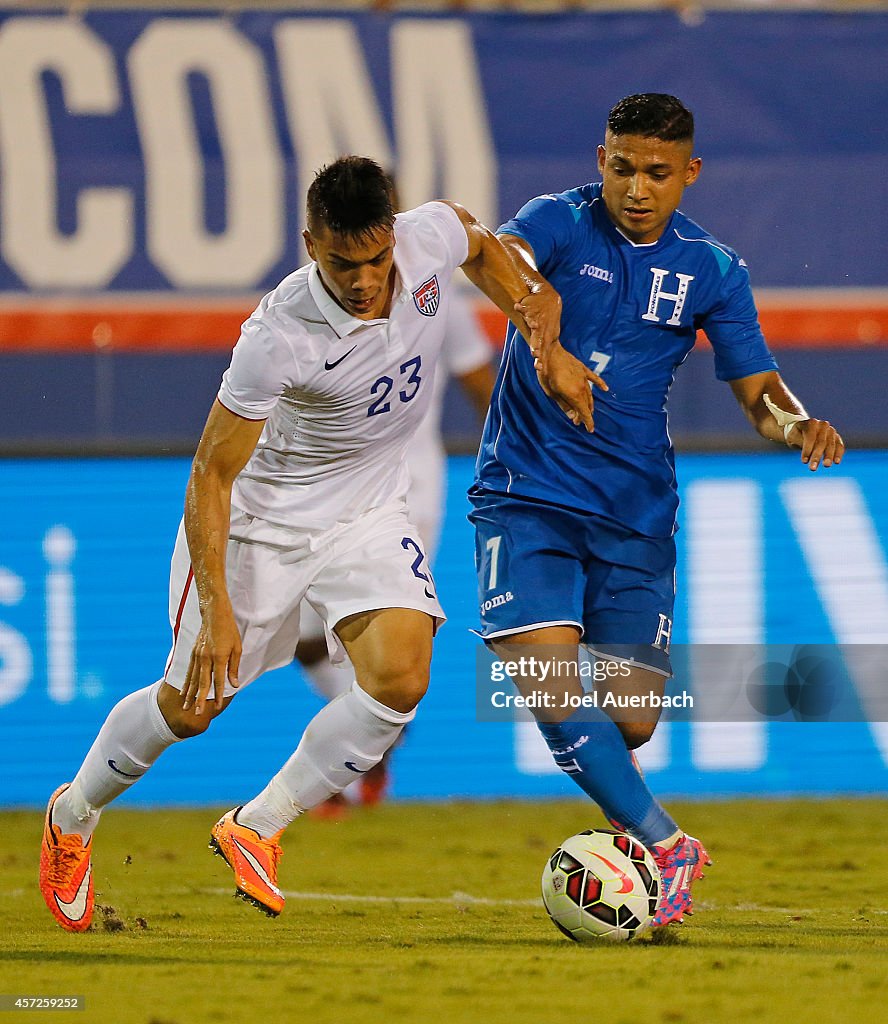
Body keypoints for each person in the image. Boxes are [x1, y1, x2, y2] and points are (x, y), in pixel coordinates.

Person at [39, 156, 571, 932]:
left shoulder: (428, 239)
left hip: (368, 509)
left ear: (393, 235)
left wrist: (535, 316)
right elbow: (212, 475)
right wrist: (217, 605)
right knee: (190, 710)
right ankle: (74, 812)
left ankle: (256, 824)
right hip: (263, 525)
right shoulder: (279, 334)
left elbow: (482, 246)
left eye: (375, 259)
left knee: (400, 676)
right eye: (341, 263)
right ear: (309, 244)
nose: (362, 280)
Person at [468, 94, 845, 928]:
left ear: (690, 174)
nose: (636, 187)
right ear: (600, 159)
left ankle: (625, 827)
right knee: (547, 678)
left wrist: (794, 422)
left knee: (632, 720)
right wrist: (544, 333)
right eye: (622, 167)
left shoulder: (712, 269)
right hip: (525, 496)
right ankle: (668, 846)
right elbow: (497, 257)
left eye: (657, 173)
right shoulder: (558, 223)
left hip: (635, 514)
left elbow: (758, 388)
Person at [295, 284, 495, 812]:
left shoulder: (443, 300)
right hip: (324, 488)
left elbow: (482, 386)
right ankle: (370, 746)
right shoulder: (311, 296)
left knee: (376, 627)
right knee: (302, 634)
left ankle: (337, 772)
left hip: (406, 493)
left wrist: (512, 465)